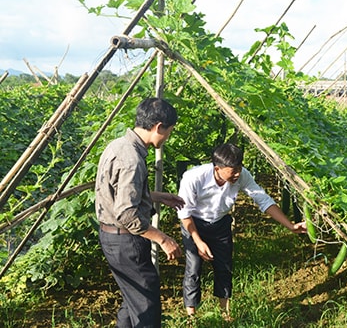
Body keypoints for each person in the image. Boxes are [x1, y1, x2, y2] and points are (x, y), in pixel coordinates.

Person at [177, 143, 307, 320]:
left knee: (224, 267)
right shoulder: (193, 177)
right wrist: (198, 242)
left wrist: (290, 225)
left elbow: (262, 199)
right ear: (217, 168)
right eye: (233, 171)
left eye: (239, 168)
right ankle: (191, 317)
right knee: (193, 268)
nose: (237, 174)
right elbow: (185, 214)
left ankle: (225, 312)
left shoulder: (241, 175)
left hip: (220, 224)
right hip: (193, 224)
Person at [95, 97, 185, 328]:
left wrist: (158, 196)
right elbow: (126, 213)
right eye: (169, 133)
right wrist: (163, 239)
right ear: (158, 127)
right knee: (146, 305)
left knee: (134, 297)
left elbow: (116, 194)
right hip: (125, 241)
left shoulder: (117, 146)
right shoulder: (132, 159)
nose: (167, 138)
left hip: (111, 236)